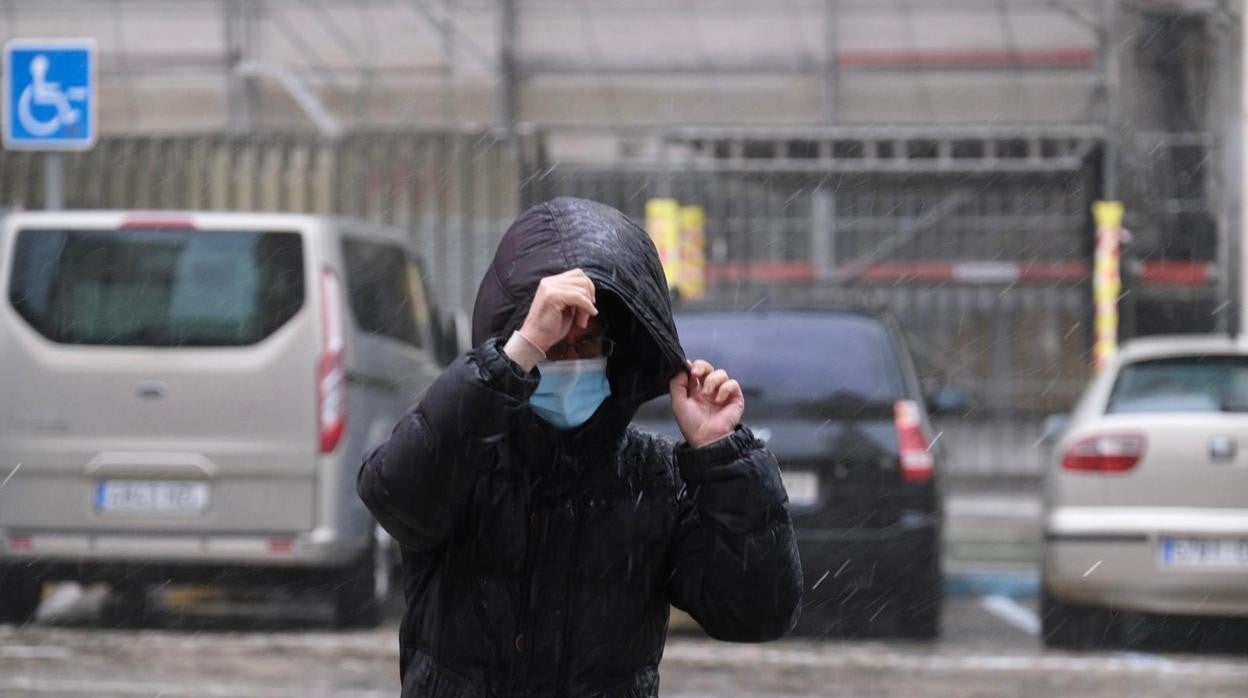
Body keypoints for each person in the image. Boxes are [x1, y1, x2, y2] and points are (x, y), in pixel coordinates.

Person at [357, 197, 802, 698]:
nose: (571, 360)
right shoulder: (466, 456)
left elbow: (757, 610)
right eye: (555, 344)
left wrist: (723, 456)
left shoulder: (652, 479)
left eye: (587, 344)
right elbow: (395, 497)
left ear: (615, 353)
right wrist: (516, 355)